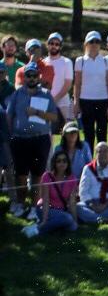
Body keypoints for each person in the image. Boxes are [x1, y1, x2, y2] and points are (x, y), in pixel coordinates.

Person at [6, 63, 56, 217]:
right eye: (29, 75)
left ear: (39, 76)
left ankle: (34, 207)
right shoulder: (17, 94)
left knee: (37, 174)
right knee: (20, 174)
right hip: (20, 139)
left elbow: (53, 117)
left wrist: (37, 112)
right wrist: (11, 134)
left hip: (40, 139)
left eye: (34, 75)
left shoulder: (46, 94)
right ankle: (21, 204)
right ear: (24, 77)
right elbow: (9, 115)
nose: (32, 78)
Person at [23, 145, 79, 239]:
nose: (62, 163)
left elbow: (72, 202)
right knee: (67, 219)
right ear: (54, 163)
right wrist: (44, 220)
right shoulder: (47, 176)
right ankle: (38, 230)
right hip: (45, 208)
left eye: (64, 161)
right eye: (59, 161)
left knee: (73, 226)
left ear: (68, 163)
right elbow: (45, 200)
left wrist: (75, 221)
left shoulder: (72, 178)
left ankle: (48, 228)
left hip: (61, 210)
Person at [73, 31, 108, 147]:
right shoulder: (80, 61)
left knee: (102, 135)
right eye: (91, 41)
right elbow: (77, 84)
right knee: (88, 135)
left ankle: (102, 162)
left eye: (97, 41)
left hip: (103, 101)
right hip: (86, 101)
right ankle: (89, 162)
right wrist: (76, 102)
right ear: (86, 44)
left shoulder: (107, 61)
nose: (94, 44)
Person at [44, 31, 74, 130]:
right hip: (46, 102)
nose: (54, 46)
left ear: (60, 46)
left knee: (68, 130)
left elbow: (68, 84)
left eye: (57, 44)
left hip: (63, 102)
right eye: (51, 43)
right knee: (46, 130)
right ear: (47, 45)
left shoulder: (67, 62)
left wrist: (55, 99)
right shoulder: (43, 62)